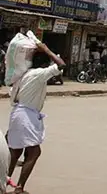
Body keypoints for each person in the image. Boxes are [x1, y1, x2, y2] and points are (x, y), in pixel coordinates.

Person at [7, 42, 65, 193]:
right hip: (26, 116)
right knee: (34, 152)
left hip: (18, 114)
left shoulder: (23, 74)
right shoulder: (39, 74)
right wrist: (47, 49)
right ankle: (19, 188)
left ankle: (2, 182)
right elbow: (61, 65)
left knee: (15, 152)